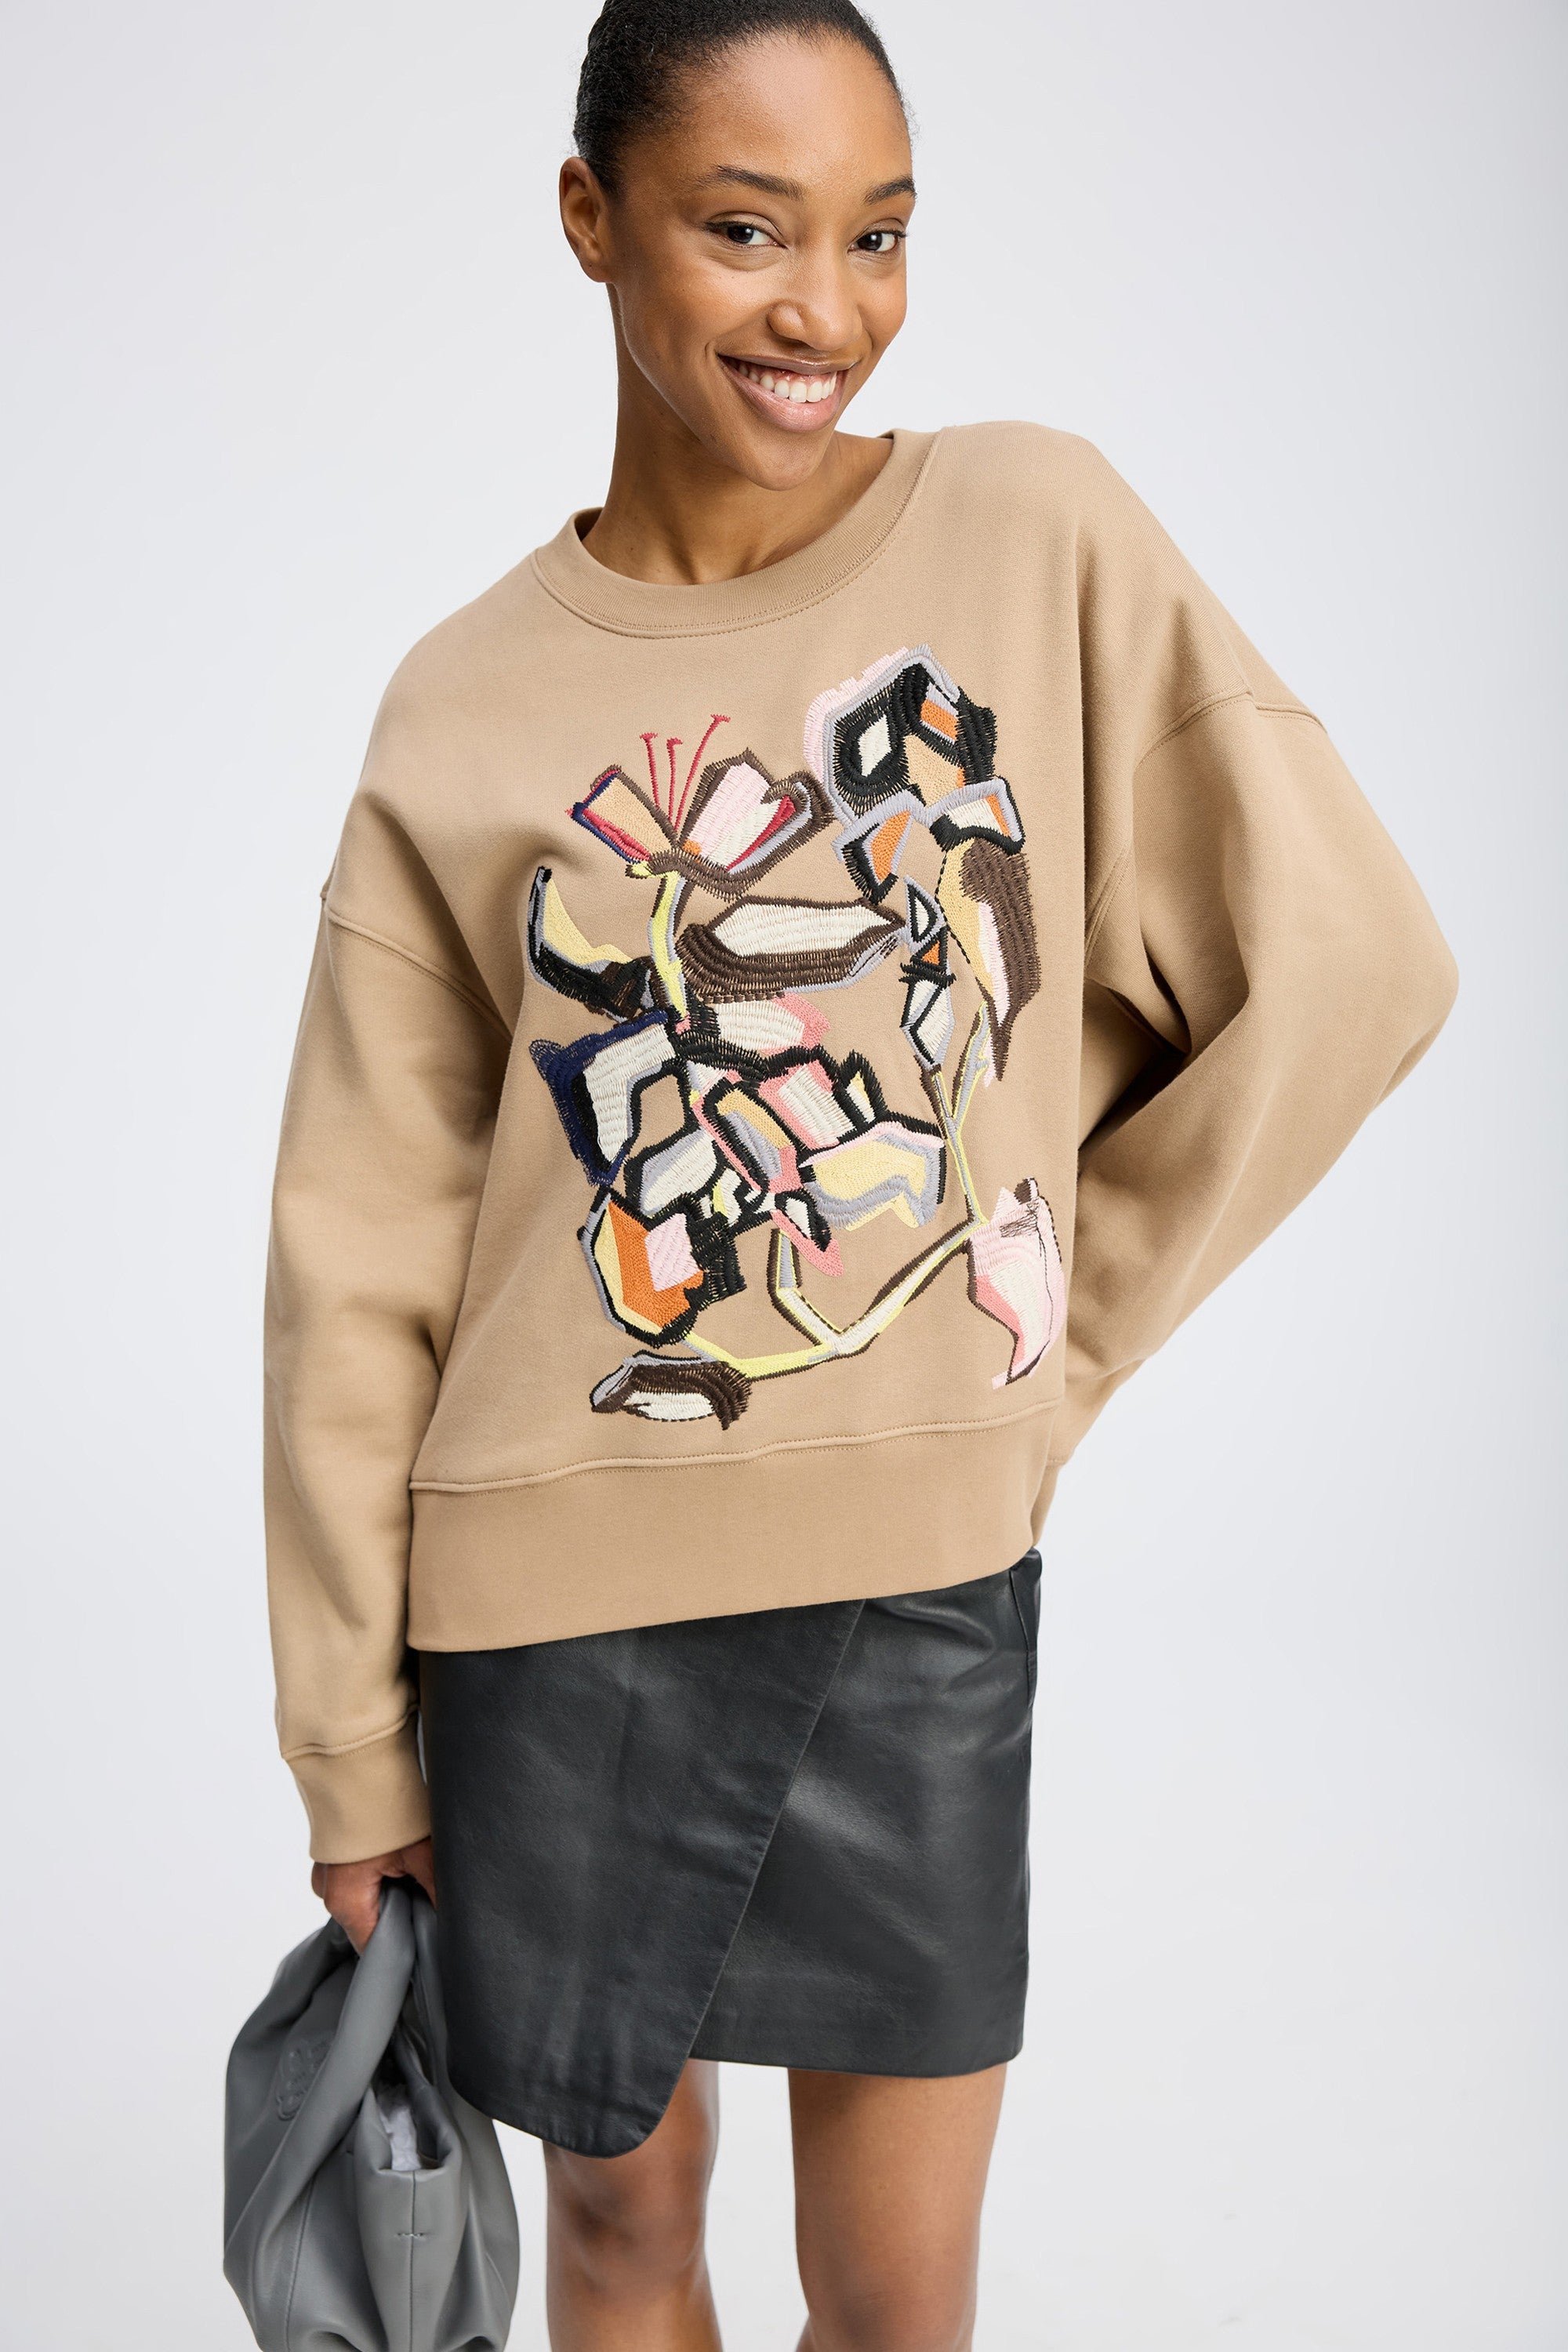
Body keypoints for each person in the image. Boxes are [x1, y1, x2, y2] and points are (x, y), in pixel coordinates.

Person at [263, 3, 1457, 2345]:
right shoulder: (461, 697)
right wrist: (346, 1736)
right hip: (548, 1614)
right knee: (620, 2240)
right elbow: (359, 1259)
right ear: (592, 218)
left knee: (898, 2302)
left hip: (915, 1598)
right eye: (747, 230)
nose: (827, 306)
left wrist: (1051, 1325)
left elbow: (1353, 969)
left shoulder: (1037, 529)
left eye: (880, 235)